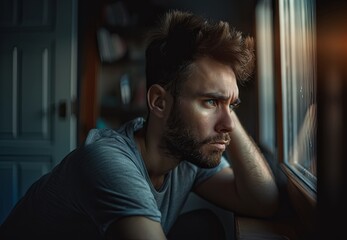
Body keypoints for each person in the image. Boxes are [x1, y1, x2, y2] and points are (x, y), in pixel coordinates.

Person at [0, 10, 279, 240]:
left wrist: (224, 102)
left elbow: (262, 201)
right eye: (209, 102)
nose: (228, 124)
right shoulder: (108, 161)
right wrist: (224, 101)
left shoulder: (187, 154)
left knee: (203, 226)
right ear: (159, 102)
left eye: (233, 105)